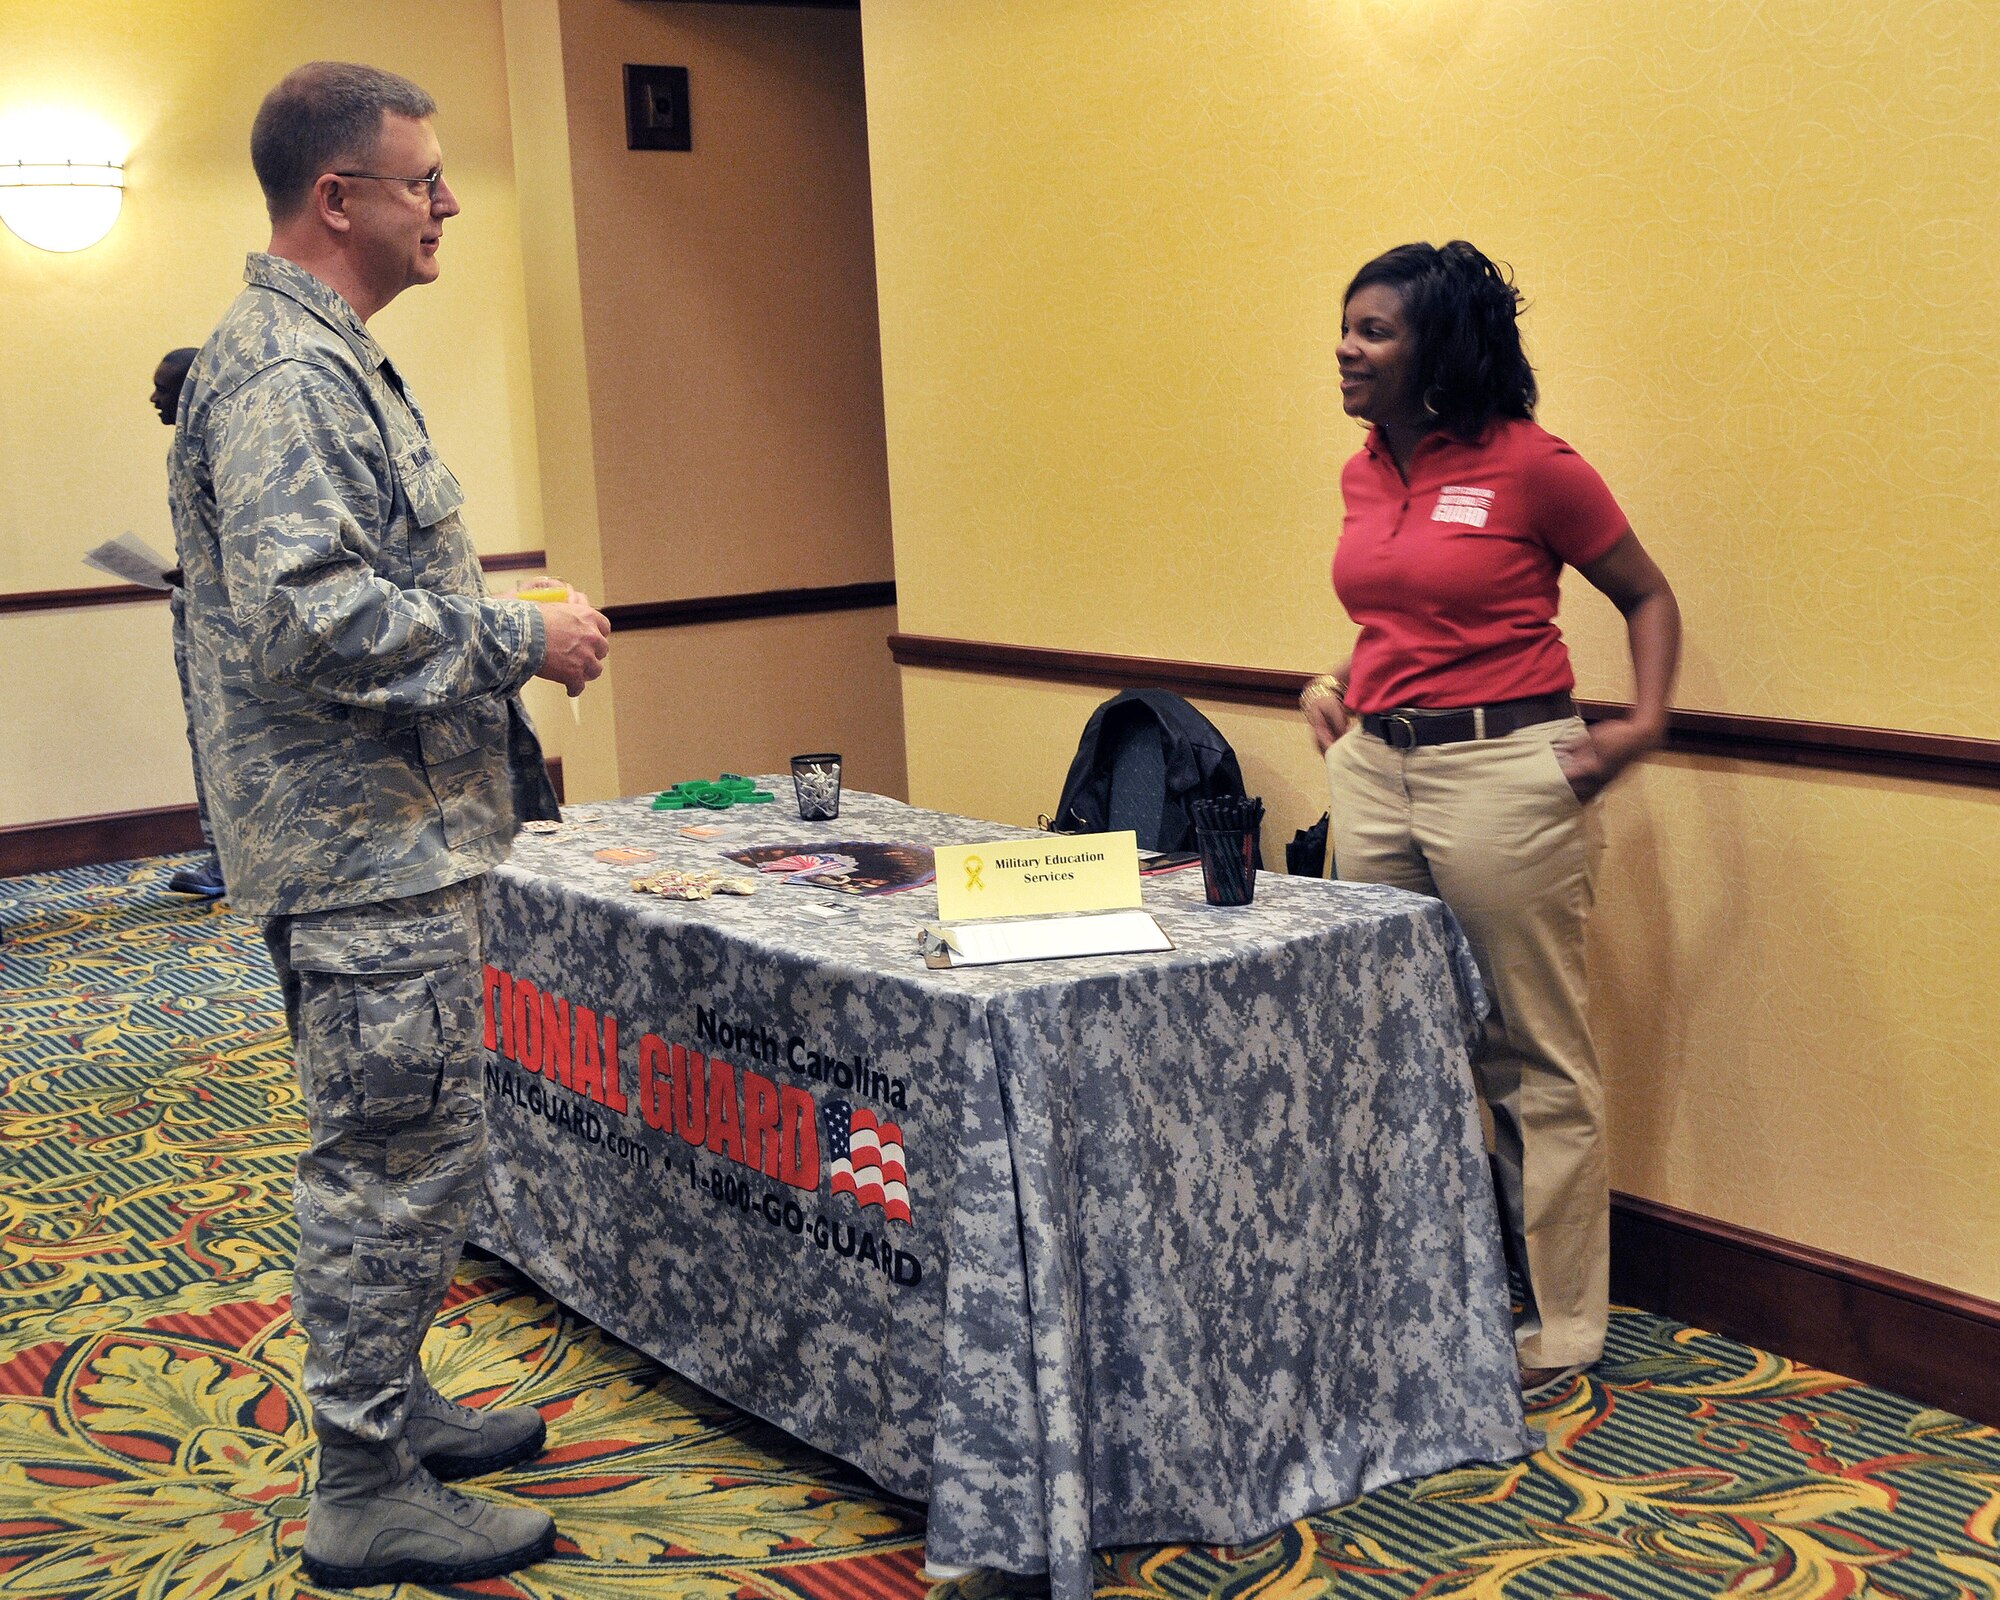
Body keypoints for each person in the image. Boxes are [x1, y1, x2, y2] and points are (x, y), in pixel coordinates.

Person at [169, 62, 612, 1588]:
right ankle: (360, 1482)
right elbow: (305, 620)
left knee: (415, 1146)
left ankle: (393, 1402)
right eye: (424, 181)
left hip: (384, 839)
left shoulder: (319, 353)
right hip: (365, 852)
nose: (449, 205)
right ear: (337, 198)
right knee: (389, 1163)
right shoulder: (288, 372)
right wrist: (512, 641)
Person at [1300, 241, 1681, 1401]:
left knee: (1528, 1049)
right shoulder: (1366, 469)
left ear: (1438, 347)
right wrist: (1340, 680)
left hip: (1506, 775)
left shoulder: (1533, 465)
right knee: (1380, 1033)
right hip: (1377, 769)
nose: (1344, 348)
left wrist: (1642, 723)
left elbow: (1645, 595)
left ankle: (1563, 1320)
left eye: (1372, 331)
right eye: (1345, 325)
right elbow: (1407, 611)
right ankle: (1415, 1280)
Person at [153, 346, 229, 900]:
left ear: (193, 385)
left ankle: (235, 863)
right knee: (202, 737)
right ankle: (219, 858)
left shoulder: (227, 441)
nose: (153, 396)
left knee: (229, 741)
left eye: (164, 386)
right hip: (195, 617)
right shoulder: (179, 450)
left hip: (231, 629)